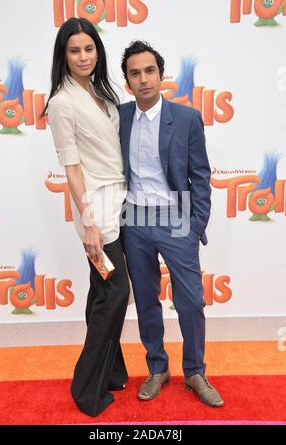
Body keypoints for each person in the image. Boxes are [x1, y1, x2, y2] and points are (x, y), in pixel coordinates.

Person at [119, 41, 224, 407]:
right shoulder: (120, 117)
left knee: (191, 300)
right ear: (127, 81)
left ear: (161, 75)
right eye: (135, 73)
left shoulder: (186, 118)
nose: (144, 79)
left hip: (176, 217)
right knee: (147, 299)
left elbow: (200, 174)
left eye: (150, 71)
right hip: (134, 219)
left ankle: (195, 371)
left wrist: (195, 225)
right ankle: (157, 368)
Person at [44, 17, 130, 417]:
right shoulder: (62, 103)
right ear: (64, 55)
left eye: (89, 48)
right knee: (115, 293)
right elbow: (72, 167)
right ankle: (86, 386)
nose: (83, 56)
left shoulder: (99, 91)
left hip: (120, 198)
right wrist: (90, 221)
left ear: (98, 50)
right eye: (75, 50)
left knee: (102, 291)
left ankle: (112, 373)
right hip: (95, 206)